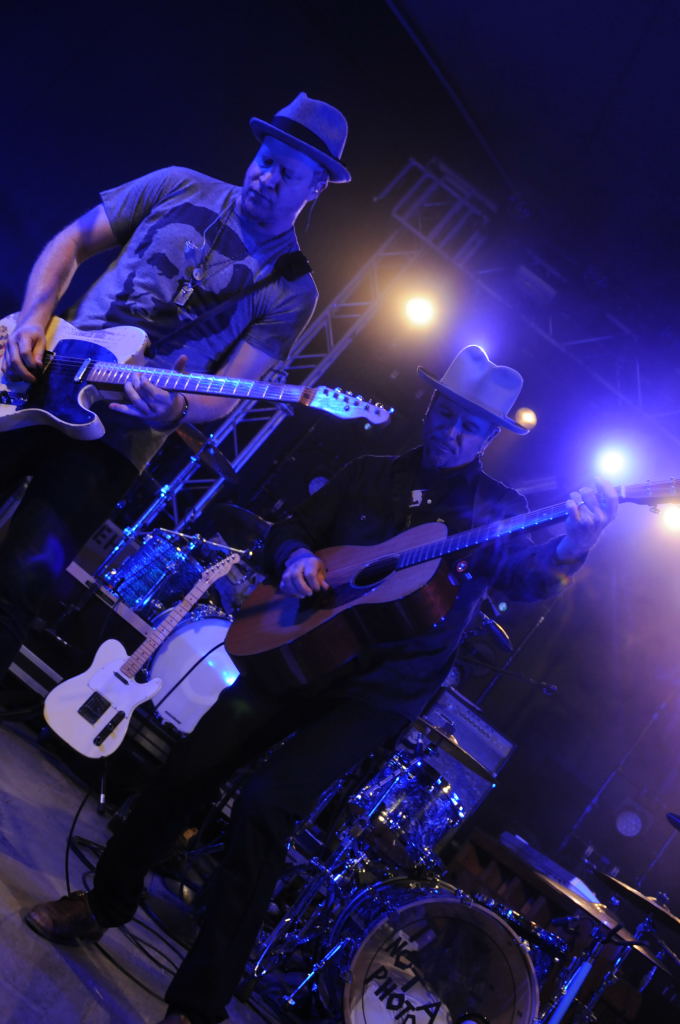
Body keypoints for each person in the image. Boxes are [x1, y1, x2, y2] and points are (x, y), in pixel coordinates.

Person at [25, 345, 618, 1024]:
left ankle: (197, 1005)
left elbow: (529, 579)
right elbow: (290, 529)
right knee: (188, 766)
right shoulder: (370, 472)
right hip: (295, 653)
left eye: (470, 426)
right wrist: (296, 556)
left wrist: (575, 543)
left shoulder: (499, 512)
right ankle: (103, 903)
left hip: (377, 692)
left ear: (489, 438)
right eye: (447, 413)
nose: (452, 431)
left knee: (266, 805)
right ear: (432, 406)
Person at [0, 92, 351, 700]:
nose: (265, 178)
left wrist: (178, 409)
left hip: (114, 441)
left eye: (286, 173)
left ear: (316, 186)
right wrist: (33, 317)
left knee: (18, 584)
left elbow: (231, 391)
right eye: (265, 160)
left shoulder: (293, 289)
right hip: (38, 374)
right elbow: (71, 243)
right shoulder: (178, 185)